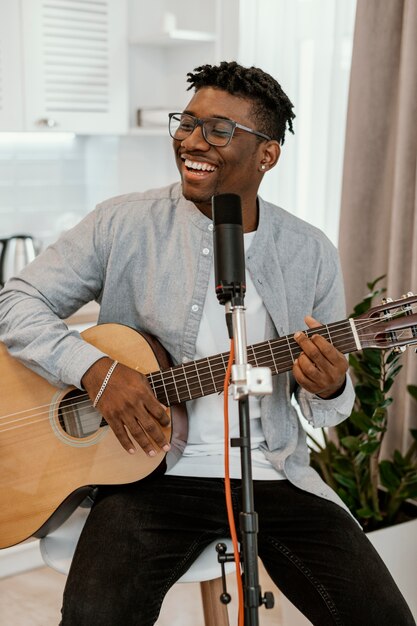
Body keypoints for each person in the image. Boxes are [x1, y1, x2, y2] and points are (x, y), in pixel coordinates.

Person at [0, 61, 414, 626]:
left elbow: (330, 406)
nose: (193, 141)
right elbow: (15, 301)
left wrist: (331, 382)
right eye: (187, 123)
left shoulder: (310, 251)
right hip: (147, 477)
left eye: (219, 130)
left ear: (267, 154)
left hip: (273, 475)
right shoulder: (121, 222)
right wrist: (95, 371)